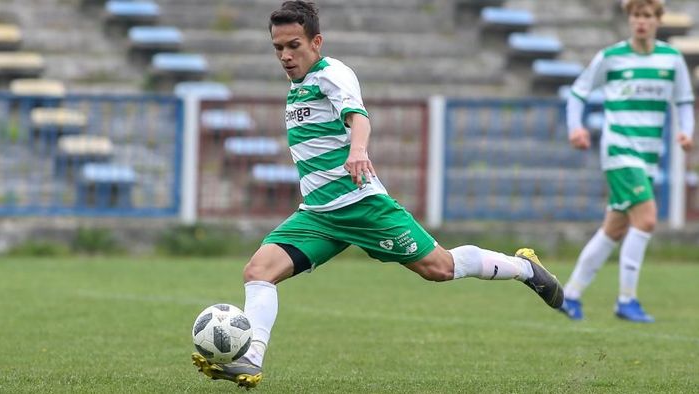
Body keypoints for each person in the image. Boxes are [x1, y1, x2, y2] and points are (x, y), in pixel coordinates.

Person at [191, 0, 563, 388]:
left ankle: (525, 268)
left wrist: (357, 149)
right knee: (257, 271)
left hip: (361, 205)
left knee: (439, 268)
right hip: (318, 215)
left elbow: (358, 117)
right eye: (278, 48)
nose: (285, 56)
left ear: (316, 42)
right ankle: (250, 359)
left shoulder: (332, 74)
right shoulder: (297, 86)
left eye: (294, 46)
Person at [560, 0, 695, 322]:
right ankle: (626, 300)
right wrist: (575, 127)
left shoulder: (671, 59)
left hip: (649, 155)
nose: (641, 22)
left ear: (658, 20)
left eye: (647, 16)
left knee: (614, 229)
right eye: (636, 15)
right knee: (646, 218)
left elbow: (684, 101)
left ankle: (571, 294)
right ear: (629, 19)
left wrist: (686, 132)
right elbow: (578, 93)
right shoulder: (611, 57)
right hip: (620, 151)